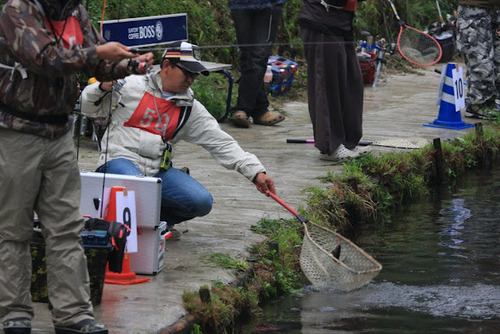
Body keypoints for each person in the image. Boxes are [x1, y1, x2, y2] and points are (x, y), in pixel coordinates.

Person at [0, 0, 154, 332]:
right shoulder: (17, 9)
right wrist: (99, 52)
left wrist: (131, 65)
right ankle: (15, 314)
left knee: (67, 229)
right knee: (13, 230)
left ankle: (73, 316)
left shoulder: (76, 12)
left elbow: (98, 64)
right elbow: (43, 59)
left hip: (59, 135)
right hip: (16, 134)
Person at [80, 41, 277, 239]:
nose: (190, 79)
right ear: (166, 66)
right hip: (118, 161)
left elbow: (221, 143)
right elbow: (87, 107)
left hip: (158, 170)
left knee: (201, 201)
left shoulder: (190, 108)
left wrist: (255, 172)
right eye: (187, 73)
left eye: (195, 75)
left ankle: (156, 223)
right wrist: (103, 87)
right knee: (140, 188)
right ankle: (124, 226)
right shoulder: (130, 84)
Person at [298, 0, 367, 162]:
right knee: (327, 86)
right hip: (321, 20)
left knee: (352, 83)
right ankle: (331, 147)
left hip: (342, 21)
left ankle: (348, 142)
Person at [227, 0, 287, 128]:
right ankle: (260, 109)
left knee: (258, 57)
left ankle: (243, 109)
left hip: (269, 5)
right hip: (240, 4)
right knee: (247, 55)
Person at [456, 0, 500, 119]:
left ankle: (492, 102)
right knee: (480, 61)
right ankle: (478, 105)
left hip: (495, 9)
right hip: (474, 9)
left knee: (497, 61)